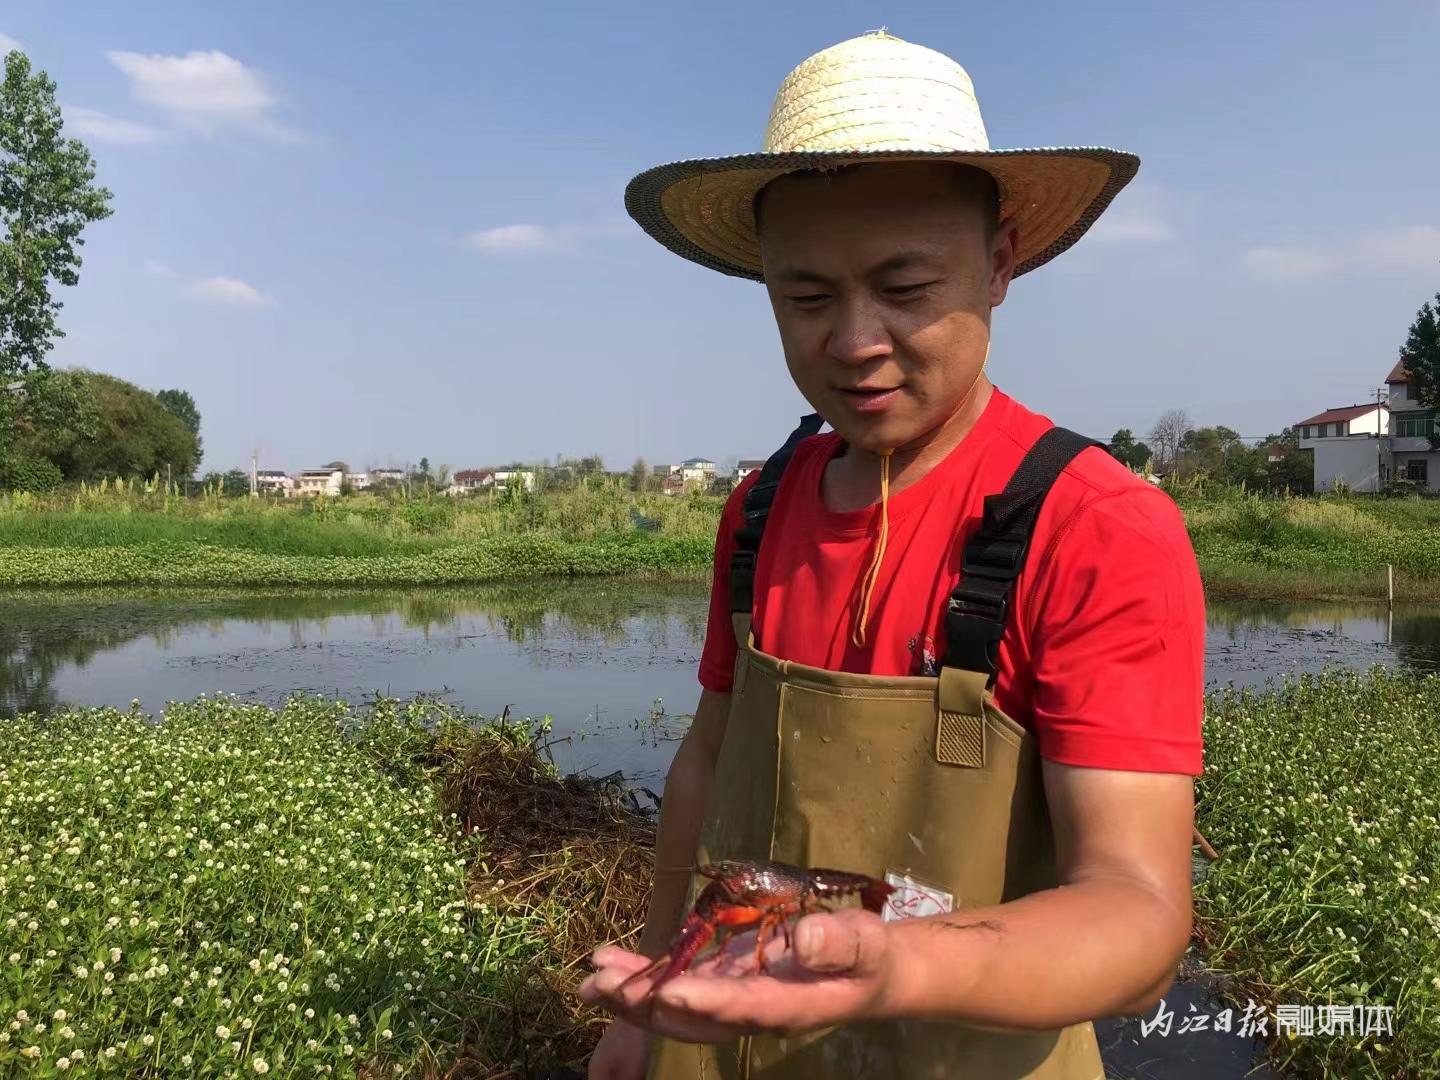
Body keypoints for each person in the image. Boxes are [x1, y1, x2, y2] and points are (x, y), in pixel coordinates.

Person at [581, 29, 1205, 1080]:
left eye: (906, 288)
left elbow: (1138, 918)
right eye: (807, 298)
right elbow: (705, 758)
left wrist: (894, 967)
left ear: (1000, 262)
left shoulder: (1094, 525)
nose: (855, 341)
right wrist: (647, 994)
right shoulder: (759, 509)